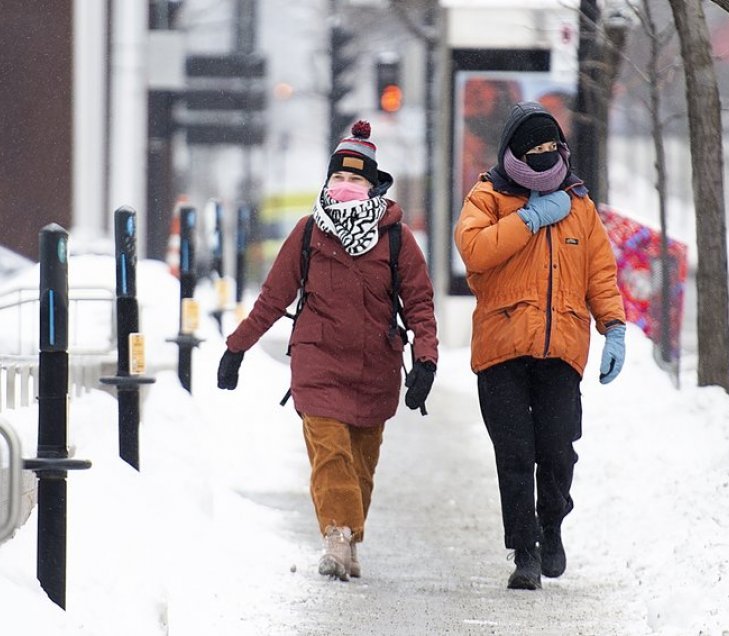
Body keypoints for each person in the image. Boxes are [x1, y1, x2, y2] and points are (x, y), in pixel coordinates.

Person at [217, 120, 439, 582]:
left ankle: (349, 538)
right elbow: (272, 299)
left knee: (360, 465)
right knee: (330, 454)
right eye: (338, 177)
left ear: (373, 184)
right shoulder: (307, 233)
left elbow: (419, 303)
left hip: (375, 366)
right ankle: (337, 537)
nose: (345, 186)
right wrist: (236, 348)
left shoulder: (396, 237)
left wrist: (426, 359)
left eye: (355, 179)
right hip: (318, 363)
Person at [453, 101, 626, 591]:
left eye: (553, 149)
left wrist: (613, 326)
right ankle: (524, 551)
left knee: (557, 450)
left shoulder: (581, 206)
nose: (547, 158)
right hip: (502, 349)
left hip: (561, 349)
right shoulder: (487, 196)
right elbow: (476, 252)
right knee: (514, 453)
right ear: (514, 153)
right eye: (536, 151)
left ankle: (552, 527)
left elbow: (600, 274)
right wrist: (527, 219)